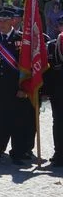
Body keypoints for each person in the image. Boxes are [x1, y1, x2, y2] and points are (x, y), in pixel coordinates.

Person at [0, 7, 32, 165]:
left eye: (5, 20)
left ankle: (17, 153)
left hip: (15, 88)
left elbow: (27, 67)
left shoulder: (21, 40)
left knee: (17, 121)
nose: (2, 23)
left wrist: (24, 88)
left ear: (13, 21)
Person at [43, 15, 63, 167]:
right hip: (58, 92)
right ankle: (59, 154)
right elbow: (47, 71)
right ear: (58, 27)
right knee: (58, 123)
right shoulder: (51, 46)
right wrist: (44, 90)